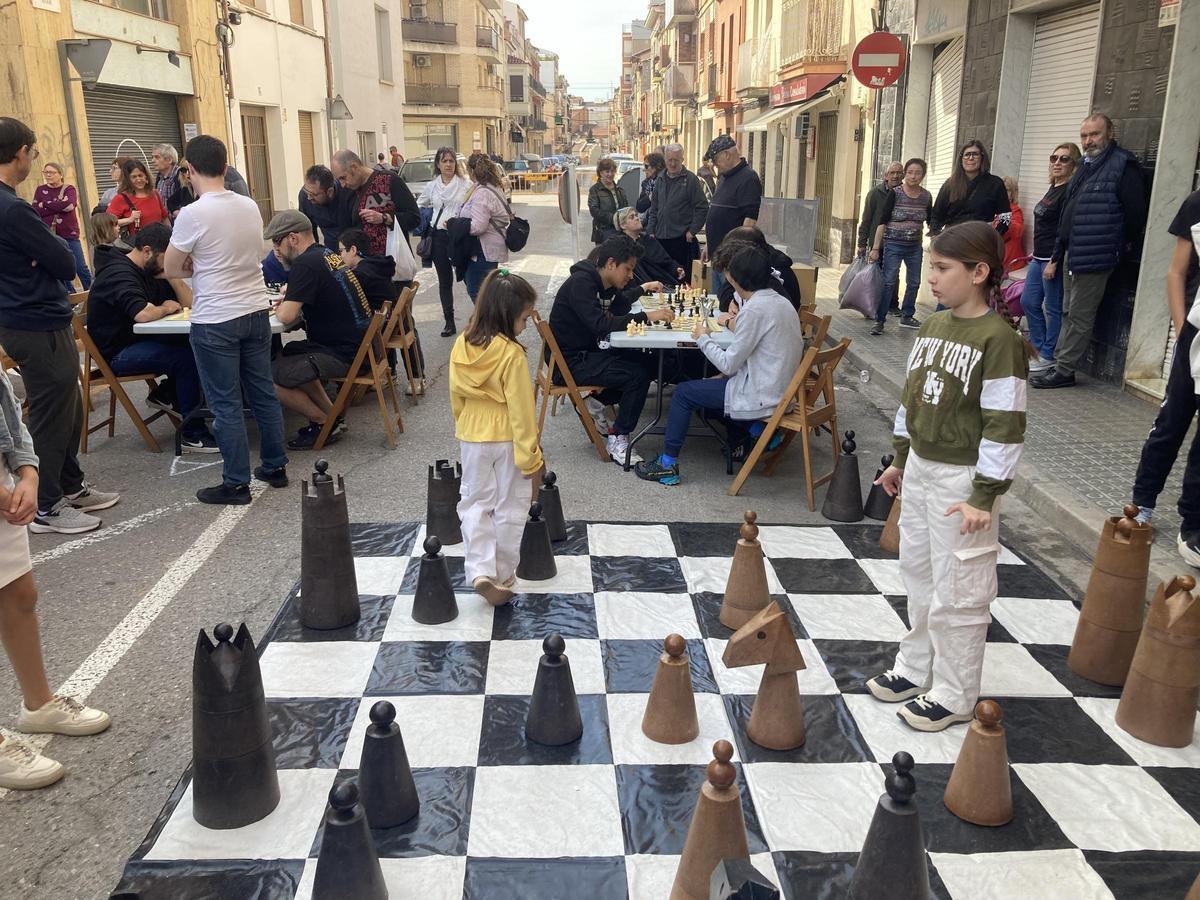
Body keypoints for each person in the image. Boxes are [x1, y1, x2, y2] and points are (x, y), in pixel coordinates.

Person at [866, 221, 1030, 732]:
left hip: (964, 483)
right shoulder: (933, 328)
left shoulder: (999, 340)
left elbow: (1006, 424)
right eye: (931, 267)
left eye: (942, 268)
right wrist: (899, 459)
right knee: (918, 576)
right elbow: (910, 400)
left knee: (960, 589)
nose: (931, 278)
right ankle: (917, 668)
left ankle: (956, 694)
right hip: (919, 470)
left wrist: (985, 494)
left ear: (980, 272)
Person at [0, 117, 120, 535]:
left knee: (70, 407)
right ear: (19, 153)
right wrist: (47, 252)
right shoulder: (13, 210)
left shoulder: (12, 205)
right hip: (35, 322)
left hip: (30, 318)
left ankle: (69, 484)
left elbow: (52, 255)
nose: (34, 160)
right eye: (32, 153)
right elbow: (66, 261)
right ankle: (47, 504)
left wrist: (45, 252)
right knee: (53, 414)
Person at [0, 367, 111, 791]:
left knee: (19, 593)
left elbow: (9, 406)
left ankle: (39, 703)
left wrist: (28, 472)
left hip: (6, 482)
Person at [165, 134, 289, 504]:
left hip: (215, 315)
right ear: (224, 167)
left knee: (225, 402)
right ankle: (274, 465)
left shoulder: (192, 213)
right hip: (253, 309)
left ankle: (235, 482)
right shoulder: (249, 206)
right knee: (262, 392)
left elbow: (171, 266)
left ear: (188, 170)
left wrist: (196, 262)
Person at [634, 245, 803, 486]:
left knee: (683, 393)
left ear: (737, 278)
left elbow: (729, 362)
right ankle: (756, 430)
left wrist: (703, 336)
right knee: (707, 384)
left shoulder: (755, 310)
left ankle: (667, 464)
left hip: (763, 395)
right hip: (779, 391)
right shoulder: (781, 303)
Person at [1032, 114, 1148, 389]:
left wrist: (1120, 243)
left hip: (1098, 253)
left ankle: (1064, 370)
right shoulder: (1084, 164)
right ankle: (1059, 362)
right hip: (1074, 251)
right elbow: (1068, 213)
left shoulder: (1123, 164)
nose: (1088, 141)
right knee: (1066, 311)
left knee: (1080, 314)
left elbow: (1135, 213)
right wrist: (1060, 250)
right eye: (1084, 136)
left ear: (1110, 132)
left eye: (1094, 134)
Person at [450, 269, 544, 606]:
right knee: (510, 505)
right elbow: (521, 410)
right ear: (507, 316)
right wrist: (530, 455)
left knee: (474, 503)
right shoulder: (512, 353)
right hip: (507, 436)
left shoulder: (462, 343)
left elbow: (455, 397)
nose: (523, 325)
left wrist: (465, 424)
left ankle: (479, 570)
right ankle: (502, 574)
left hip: (472, 434)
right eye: (522, 318)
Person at [86, 222, 218, 453]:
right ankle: (191, 433)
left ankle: (167, 393)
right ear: (147, 251)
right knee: (185, 358)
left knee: (199, 343)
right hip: (118, 352)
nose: (171, 263)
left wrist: (172, 275)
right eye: (168, 258)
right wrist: (165, 308)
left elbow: (189, 305)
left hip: (143, 341)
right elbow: (142, 313)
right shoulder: (118, 272)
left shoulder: (151, 269)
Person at [548, 235, 674, 465]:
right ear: (610, 264)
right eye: (628, 269)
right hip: (570, 362)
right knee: (636, 376)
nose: (630, 275)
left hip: (588, 353)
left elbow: (622, 305)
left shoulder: (604, 285)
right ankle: (618, 439)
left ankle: (597, 399)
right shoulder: (581, 283)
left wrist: (632, 291)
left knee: (648, 361)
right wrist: (647, 316)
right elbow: (600, 325)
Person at [1131, 186, 1200, 565]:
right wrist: (1181, 328)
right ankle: (1142, 501)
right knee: (1171, 422)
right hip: (1195, 333)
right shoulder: (1196, 203)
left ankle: (1193, 523)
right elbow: (1176, 272)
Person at [265, 210, 370, 450]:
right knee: (291, 353)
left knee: (262, 376)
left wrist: (285, 302)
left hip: (341, 353)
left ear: (292, 238)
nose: (275, 251)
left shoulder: (305, 264)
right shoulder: (326, 253)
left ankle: (321, 422)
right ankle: (332, 415)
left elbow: (287, 315)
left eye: (277, 242)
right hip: (358, 347)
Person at [1023, 143, 1080, 373]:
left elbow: (1064, 230)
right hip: (1038, 256)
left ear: (1074, 164)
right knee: (1028, 301)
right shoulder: (1053, 188)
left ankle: (1048, 354)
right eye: (1054, 158)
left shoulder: (1068, 192)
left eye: (1064, 159)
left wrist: (1055, 260)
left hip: (1052, 259)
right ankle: (1037, 347)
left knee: (1053, 307)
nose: (1057, 162)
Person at [869, 158, 932, 335]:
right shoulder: (895, 193)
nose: (913, 176)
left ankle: (907, 316)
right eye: (910, 172)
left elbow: (931, 221)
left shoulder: (926, 196)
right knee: (888, 282)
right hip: (893, 245)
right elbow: (882, 221)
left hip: (914, 247)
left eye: (917, 173)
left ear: (923, 175)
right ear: (905, 174)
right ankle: (880, 320)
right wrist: (875, 248)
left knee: (914, 282)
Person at [416, 147, 470, 335]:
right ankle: (449, 322)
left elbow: (472, 205)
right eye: (444, 161)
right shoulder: (432, 186)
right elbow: (418, 205)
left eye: (451, 161)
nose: (448, 164)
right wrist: (427, 217)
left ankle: (479, 321)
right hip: (438, 238)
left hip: (459, 237)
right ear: (438, 164)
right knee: (444, 281)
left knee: (468, 278)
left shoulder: (465, 184)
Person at [330, 149, 420, 258]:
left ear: (354, 167)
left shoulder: (389, 180)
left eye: (343, 178)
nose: (343, 184)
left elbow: (414, 218)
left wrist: (385, 218)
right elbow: (344, 231)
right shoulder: (347, 192)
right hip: (363, 266)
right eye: (339, 180)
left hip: (394, 263)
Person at [702, 134, 762, 297]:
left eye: (715, 161)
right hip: (717, 257)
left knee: (728, 305)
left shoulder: (748, 178)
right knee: (718, 303)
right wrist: (709, 243)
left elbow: (749, 223)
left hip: (731, 261)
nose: (715, 166)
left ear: (727, 155)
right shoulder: (724, 177)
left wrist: (735, 256)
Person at [647, 144, 709, 280]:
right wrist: (650, 231)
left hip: (681, 240)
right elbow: (654, 208)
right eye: (669, 160)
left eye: (676, 160)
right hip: (660, 240)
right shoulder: (660, 178)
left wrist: (692, 231)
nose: (673, 163)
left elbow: (702, 207)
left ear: (682, 159)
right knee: (661, 279)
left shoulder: (691, 179)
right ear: (665, 160)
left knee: (681, 280)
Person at [928, 140, 1009, 236]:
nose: (971, 158)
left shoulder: (995, 184)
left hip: (981, 240)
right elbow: (937, 214)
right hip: (952, 240)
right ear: (961, 159)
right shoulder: (950, 184)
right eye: (967, 154)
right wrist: (936, 236)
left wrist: (993, 236)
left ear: (982, 158)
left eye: (975, 154)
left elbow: (1005, 216)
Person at [460, 153, 511, 302]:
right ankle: (490, 322)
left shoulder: (483, 193)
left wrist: (457, 226)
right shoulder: (492, 187)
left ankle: (490, 323)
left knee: (477, 291)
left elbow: (478, 226)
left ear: (471, 170)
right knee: (486, 292)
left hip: (483, 250)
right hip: (487, 248)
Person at [33, 161, 92, 291]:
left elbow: (69, 205)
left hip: (69, 234)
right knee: (61, 268)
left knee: (80, 267)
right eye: (46, 172)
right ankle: (72, 298)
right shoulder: (40, 190)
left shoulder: (69, 189)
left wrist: (46, 204)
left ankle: (93, 293)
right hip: (51, 236)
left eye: (52, 172)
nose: (48, 175)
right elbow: (36, 210)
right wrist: (57, 205)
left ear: (60, 174)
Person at [860, 161, 905, 316]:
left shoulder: (905, 193)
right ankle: (871, 305)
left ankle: (892, 305)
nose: (895, 176)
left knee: (893, 275)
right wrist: (862, 243)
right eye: (892, 173)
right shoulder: (875, 193)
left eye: (899, 172)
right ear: (886, 176)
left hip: (896, 241)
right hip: (876, 242)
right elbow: (866, 219)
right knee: (874, 275)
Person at [721, 226, 802, 310]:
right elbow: (725, 290)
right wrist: (731, 302)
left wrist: (729, 322)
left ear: (748, 252)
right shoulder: (747, 269)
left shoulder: (774, 273)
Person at [614, 206, 684, 287]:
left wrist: (675, 268)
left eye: (636, 215)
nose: (637, 218)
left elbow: (665, 260)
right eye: (632, 217)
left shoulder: (648, 240)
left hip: (660, 282)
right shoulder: (621, 245)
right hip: (638, 286)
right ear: (623, 225)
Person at [338, 226, 397, 311]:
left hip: (377, 321)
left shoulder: (360, 275)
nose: (340, 256)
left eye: (341, 251)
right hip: (389, 317)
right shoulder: (377, 264)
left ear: (353, 250)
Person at [299, 165, 354, 252]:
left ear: (330, 192)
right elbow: (308, 231)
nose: (309, 197)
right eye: (307, 192)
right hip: (330, 246)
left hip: (352, 247)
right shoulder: (304, 196)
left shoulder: (347, 192)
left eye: (314, 194)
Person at [107, 158, 170, 235]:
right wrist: (130, 220)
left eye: (140, 175)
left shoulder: (155, 194)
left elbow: (165, 218)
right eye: (134, 177)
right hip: (137, 244)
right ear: (127, 180)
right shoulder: (121, 198)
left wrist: (171, 235)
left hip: (160, 242)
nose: (138, 179)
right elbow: (107, 222)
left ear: (146, 177)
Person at [588, 158, 627, 245]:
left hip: (619, 232)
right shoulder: (595, 190)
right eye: (607, 171)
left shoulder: (620, 190)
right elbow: (594, 211)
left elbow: (625, 208)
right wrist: (613, 218)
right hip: (603, 233)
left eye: (612, 171)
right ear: (601, 173)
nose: (610, 174)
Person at [996, 176, 1025, 275]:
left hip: (1010, 263)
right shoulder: (993, 209)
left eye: (1007, 190)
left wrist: (1006, 222)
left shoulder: (1015, 210)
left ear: (1013, 194)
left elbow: (1018, 231)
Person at [151, 143, 181, 211]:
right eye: (152, 157)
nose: (152, 161)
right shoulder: (159, 176)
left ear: (169, 160)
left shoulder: (180, 175)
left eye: (157, 157)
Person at [636, 152, 664, 223]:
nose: (644, 169)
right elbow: (639, 207)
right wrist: (650, 197)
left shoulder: (665, 182)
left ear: (655, 167)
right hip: (648, 223)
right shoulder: (646, 183)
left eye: (646, 166)